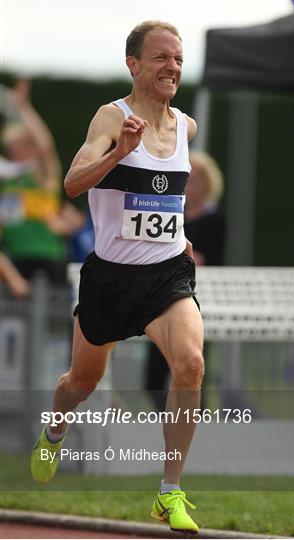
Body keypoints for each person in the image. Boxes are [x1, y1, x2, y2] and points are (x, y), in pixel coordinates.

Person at [31, 21, 204, 534]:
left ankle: (169, 493)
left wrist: (177, 231)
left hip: (167, 275)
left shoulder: (187, 127)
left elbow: (165, 196)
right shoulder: (112, 116)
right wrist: (119, 153)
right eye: (160, 58)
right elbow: (71, 184)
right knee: (81, 384)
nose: (172, 66)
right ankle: (55, 426)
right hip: (110, 278)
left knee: (190, 363)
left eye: (177, 58)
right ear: (134, 64)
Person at [145, 150, 226, 411]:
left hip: (197, 297)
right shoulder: (170, 213)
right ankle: (168, 423)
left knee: (192, 370)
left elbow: (206, 259)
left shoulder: (215, 219)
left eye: (199, 180)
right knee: (154, 377)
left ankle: (193, 428)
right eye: (189, 179)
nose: (193, 186)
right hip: (163, 297)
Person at [0, 80, 83, 285]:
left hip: (47, 257)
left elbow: (45, 145)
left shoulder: (42, 175)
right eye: (10, 146)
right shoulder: (7, 178)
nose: (13, 149)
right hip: (15, 258)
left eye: (19, 144)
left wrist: (24, 108)